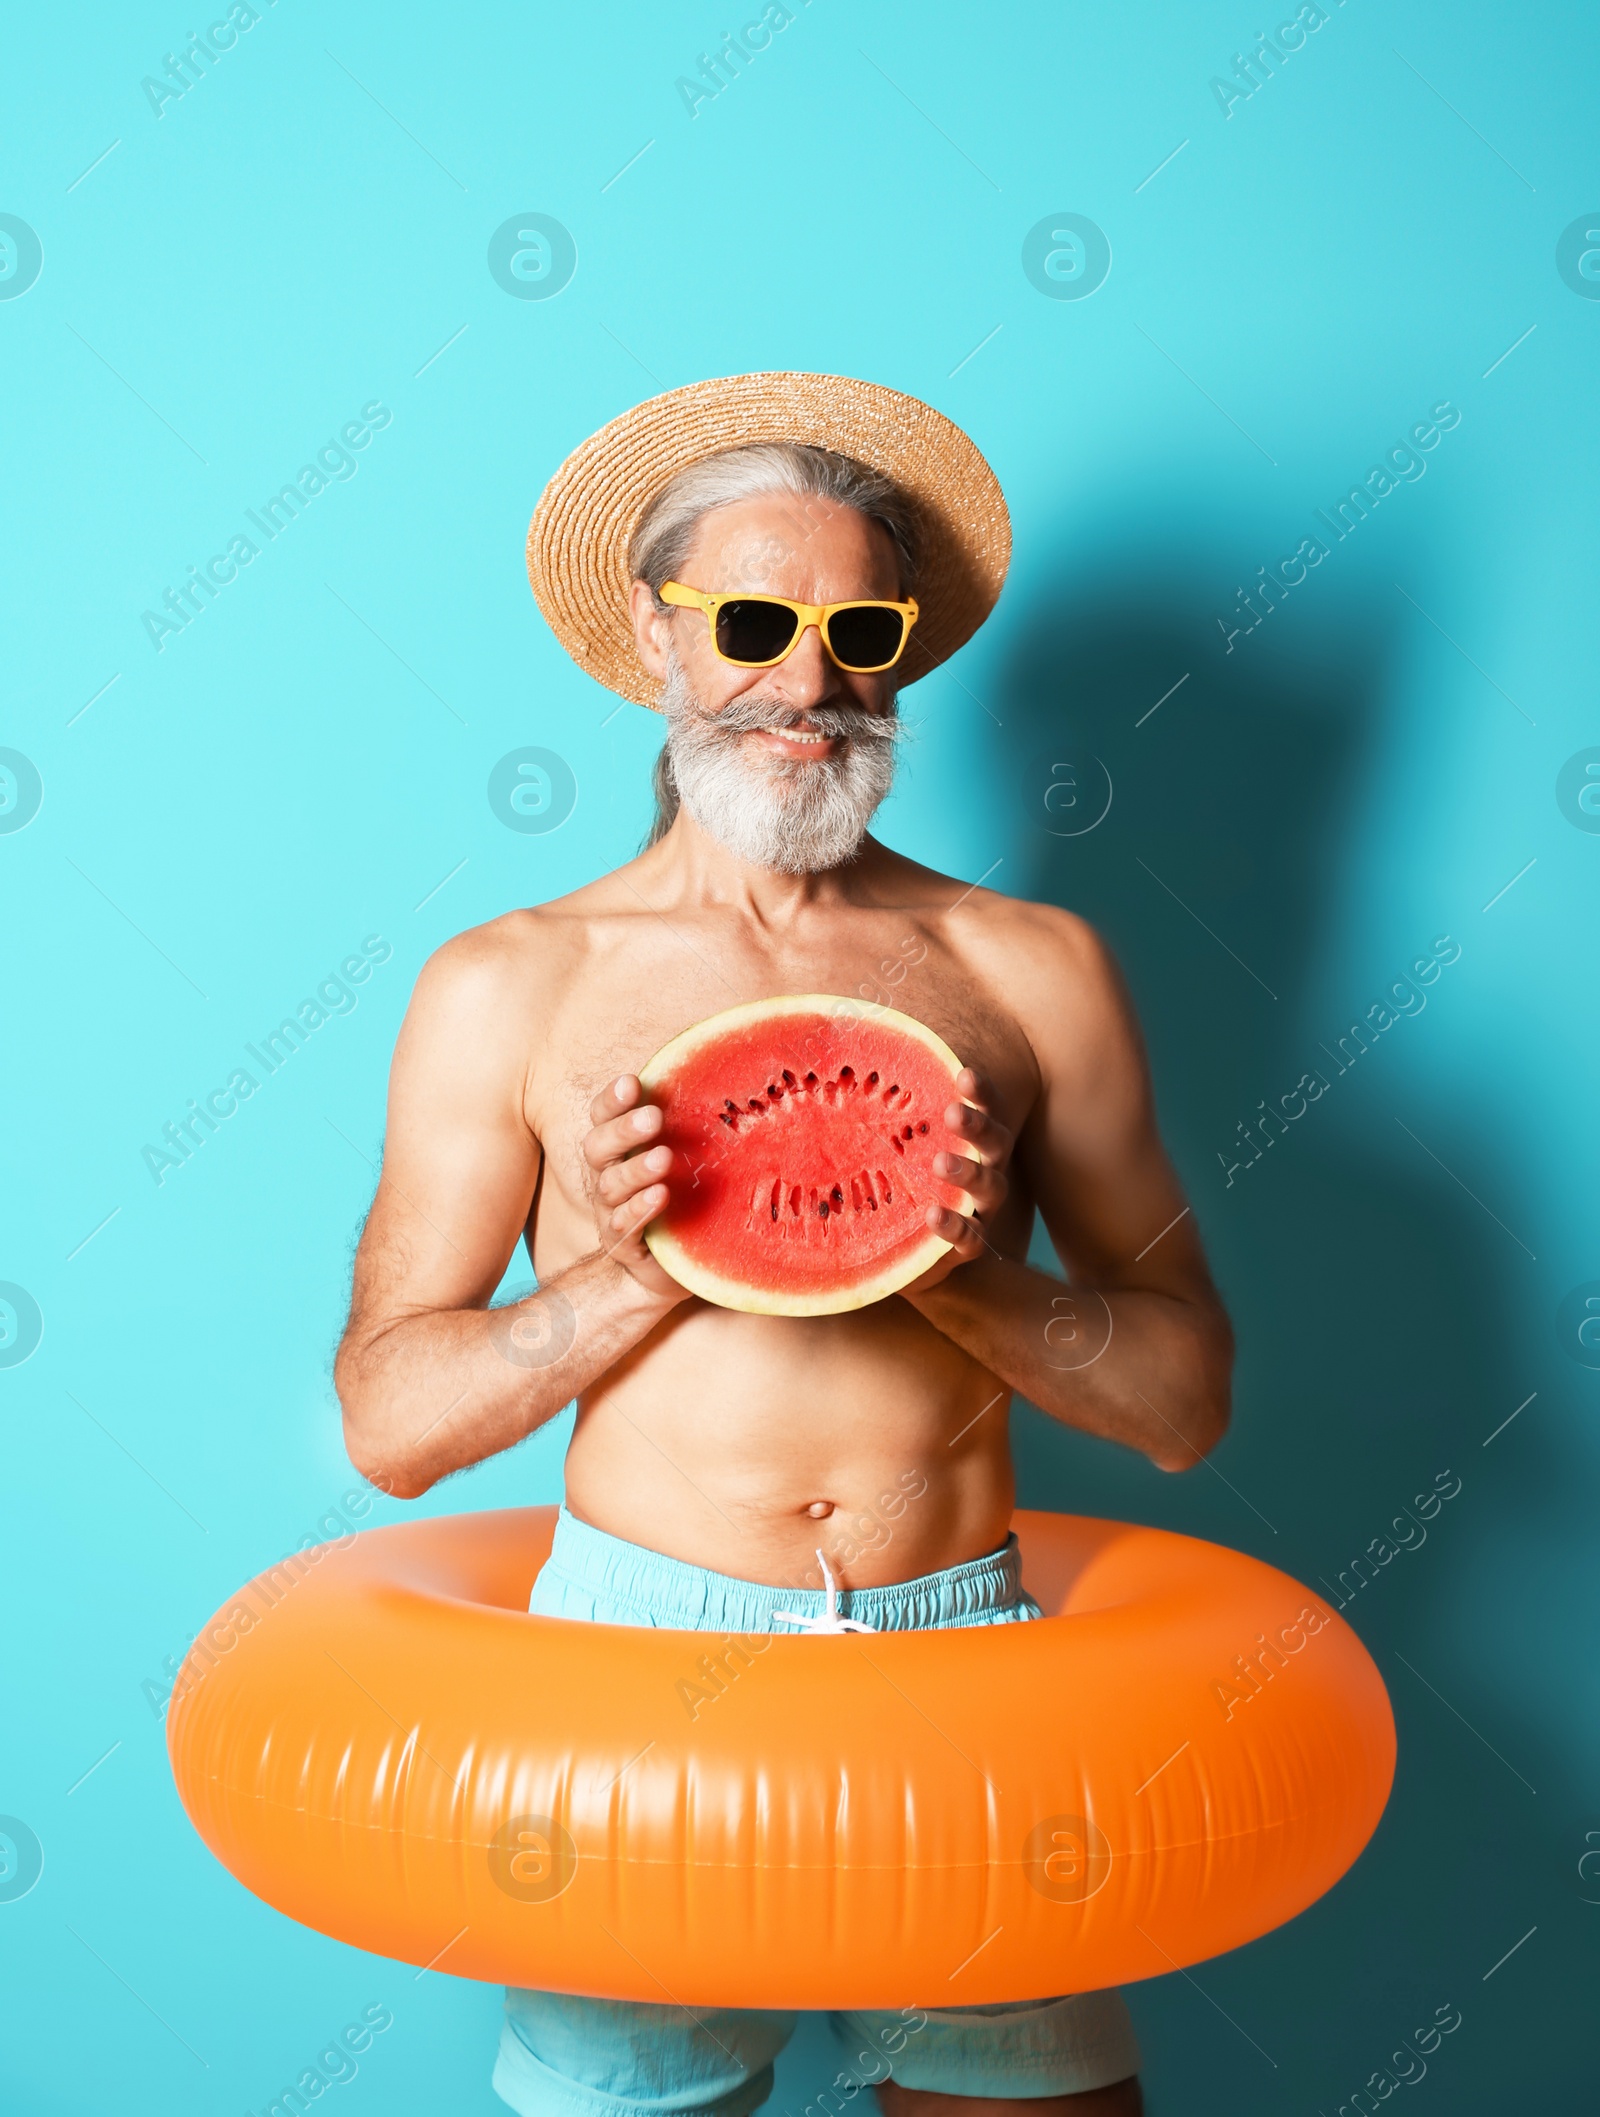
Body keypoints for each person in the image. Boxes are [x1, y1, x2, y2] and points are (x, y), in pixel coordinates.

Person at [334, 373, 1233, 2117]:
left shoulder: (1030, 968)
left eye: (856, 626)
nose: (806, 681)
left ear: (902, 651)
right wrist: (638, 1269)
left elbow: (1184, 1400)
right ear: (657, 639)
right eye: (751, 622)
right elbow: (390, 1418)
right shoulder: (512, 981)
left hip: (965, 1657)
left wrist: (961, 1267)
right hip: (637, 1663)